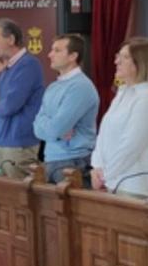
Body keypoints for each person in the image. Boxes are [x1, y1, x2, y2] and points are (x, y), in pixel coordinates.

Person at [91, 37, 148, 196]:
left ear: (140, 63)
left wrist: (105, 175)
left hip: (135, 186)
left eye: (124, 57)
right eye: (118, 56)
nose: (117, 62)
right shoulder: (123, 93)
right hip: (112, 181)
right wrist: (97, 167)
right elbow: (103, 135)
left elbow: (131, 146)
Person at [0, 18, 45, 179]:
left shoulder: (28, 64)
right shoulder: (5, 67)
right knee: (8, 199)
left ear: (11, 39)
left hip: (19, 144)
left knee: (20, 199)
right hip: (2, 143)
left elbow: (10, 105)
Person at [33, 34, 99, 184]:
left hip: (72, 162)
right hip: (51, 159)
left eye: (57, 50)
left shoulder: (80, 87)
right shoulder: (53, 87)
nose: (50, 55)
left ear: (73, 56)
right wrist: (52, 128)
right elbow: (36, 127)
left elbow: (56, 128)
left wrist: (51, 127)